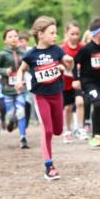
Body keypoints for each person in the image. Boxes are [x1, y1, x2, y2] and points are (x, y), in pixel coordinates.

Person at [16, 16, 73, 180]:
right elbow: (21, 69)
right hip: (41, 96)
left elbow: (67, 64)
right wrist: (19, 80)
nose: (56, 36)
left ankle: (50, 161)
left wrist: (68, 61)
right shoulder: (31, 54)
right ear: (40, 34)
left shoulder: (56, 50)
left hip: (57, 94)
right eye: (52, 33)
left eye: (56, 33)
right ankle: (49, 165)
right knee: (46, 130)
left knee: (58, 130)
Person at [73, 19, 100, 149]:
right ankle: (95, 135)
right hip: (89, 83)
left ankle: (98, 136)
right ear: (97, 33)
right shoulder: (86, 49)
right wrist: (76, 79)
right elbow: (75, 62)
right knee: (98, 103)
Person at [0, 27, 29, 149]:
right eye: (10, 36)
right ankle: (10, 121)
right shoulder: (2, 54)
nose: (13, 38)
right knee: (11, 114)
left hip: (21, 88)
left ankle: (23, 137)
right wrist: (5, 71)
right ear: (5, 40)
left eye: (15, 36)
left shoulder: (23, 53)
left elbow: (28, 65)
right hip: (7, 89)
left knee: (21, 112)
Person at [59, 22, 86, 142]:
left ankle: (80, 128)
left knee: (80, 103)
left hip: (78, 80)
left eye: (77, 34)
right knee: (68, 107)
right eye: (72, 34)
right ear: (66, 34)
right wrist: (62, 67)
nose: (75, 36)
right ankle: (68, 130)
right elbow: (56, 62)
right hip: (65, 81)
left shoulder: (83, 47)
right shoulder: (62, 48)